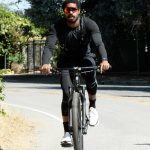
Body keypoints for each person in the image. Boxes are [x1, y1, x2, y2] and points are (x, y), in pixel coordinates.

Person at [41, 0, 110, 147]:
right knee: (66, 95)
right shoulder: (57, 26)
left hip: (86, 57)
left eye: (73, 9)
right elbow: (49, 46)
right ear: (64, 12)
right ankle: (67, 133)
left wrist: (104, 60)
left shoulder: (89, 24)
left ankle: (92, 107)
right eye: (67, 10)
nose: (70, 12)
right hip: (66, 61)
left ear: (79, 11)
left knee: (91, 77)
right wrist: (46, 63)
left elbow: (98, 43)